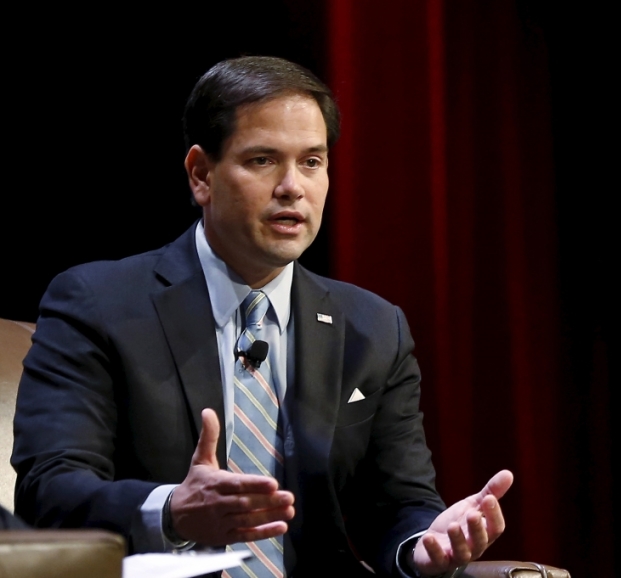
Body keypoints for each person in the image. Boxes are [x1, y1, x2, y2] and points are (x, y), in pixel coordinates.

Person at [11, 55, 513, 578]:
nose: (292, 186)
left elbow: (399, 506)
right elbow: (50, 488)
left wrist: (422, 546)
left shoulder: (373, 328)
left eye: (312, 162)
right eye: (263, 161)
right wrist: (173, 510)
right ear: (201, 175)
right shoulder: (99, 303)